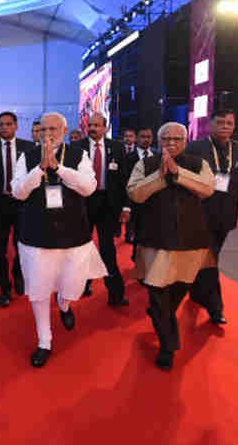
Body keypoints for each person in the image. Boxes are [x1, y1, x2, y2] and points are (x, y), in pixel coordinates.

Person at [12, 112, 108, 367]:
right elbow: (18, 192)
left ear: (65, 131)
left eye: (53, 129)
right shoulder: (27, 156)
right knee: (39, 291)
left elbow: (88, 187)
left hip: (73, 235)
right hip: (36, 236)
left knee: (72, 286)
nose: (47, 134)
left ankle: (65, 305)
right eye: (42, 130)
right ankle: (45, 340)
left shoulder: (78, 155)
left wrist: (59, 168)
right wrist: (41, 168)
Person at [127, 122, 215, 370]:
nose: (171, 143)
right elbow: (135, 193)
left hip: (190, 240)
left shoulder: (199, 164)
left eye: (177, 139)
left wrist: (178, 174)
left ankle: (160, 317)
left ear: (186, 140)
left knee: (179, 289)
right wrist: (161, 177)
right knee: (157, 290)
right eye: (166, 139)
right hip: (155, 239)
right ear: (158, 141)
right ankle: (168, 346)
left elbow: (207, 189)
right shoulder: (145, 164)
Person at [186, 109, 238, 325]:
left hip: (226, 216)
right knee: (210, 259)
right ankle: (216, 307)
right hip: (199, 214)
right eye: (220, 122)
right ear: (211, 125)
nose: (225, 126)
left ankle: (197, 292)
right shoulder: (196, 148)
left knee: (208, 257)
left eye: (229, 123)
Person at [76, 112, 130, 305]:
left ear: (105, 127)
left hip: (108, 205)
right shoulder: (77, 147)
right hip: (83, 205)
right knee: (82, 248)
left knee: (108, 250)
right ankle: (83, 284)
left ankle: (116, 294)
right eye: (90, 125)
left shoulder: (117, 147)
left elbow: (124, 178)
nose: (92, 128)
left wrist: (126, 206)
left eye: (97, 125)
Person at [0, 111, 32, 307]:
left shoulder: (28, 148)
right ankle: (4, 288)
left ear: (16, 126)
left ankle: (18, 274)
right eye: (1, 124)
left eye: (9, 124)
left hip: (21, 204)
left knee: (22, 246)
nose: (5, 127)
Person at [125, 127, 157, 253]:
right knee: (137, 232)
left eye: (148, 137)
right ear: (137, 138)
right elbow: (125, 181)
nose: (146, 140)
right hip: (135, 200)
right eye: (143, 137)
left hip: (154, 200)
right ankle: (136, 258)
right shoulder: (128, 157)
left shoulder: (158, 155)